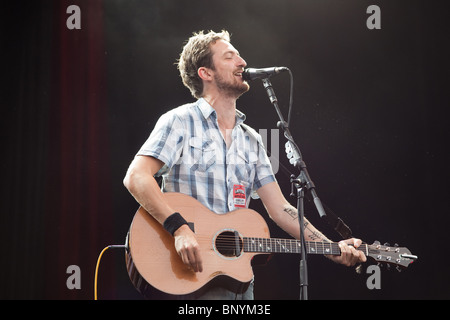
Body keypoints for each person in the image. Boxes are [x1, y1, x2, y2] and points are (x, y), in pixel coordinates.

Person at [123, 30, 367, 299]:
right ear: (206, 73)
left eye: (239, 56)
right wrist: (179, 229)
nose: (242, 62)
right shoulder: (179, 121)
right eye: (230, 57)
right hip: (186, 272)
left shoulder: (253, 140)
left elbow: (281, 209)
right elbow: (136, 177)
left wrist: (332, 247)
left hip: (237, 281)